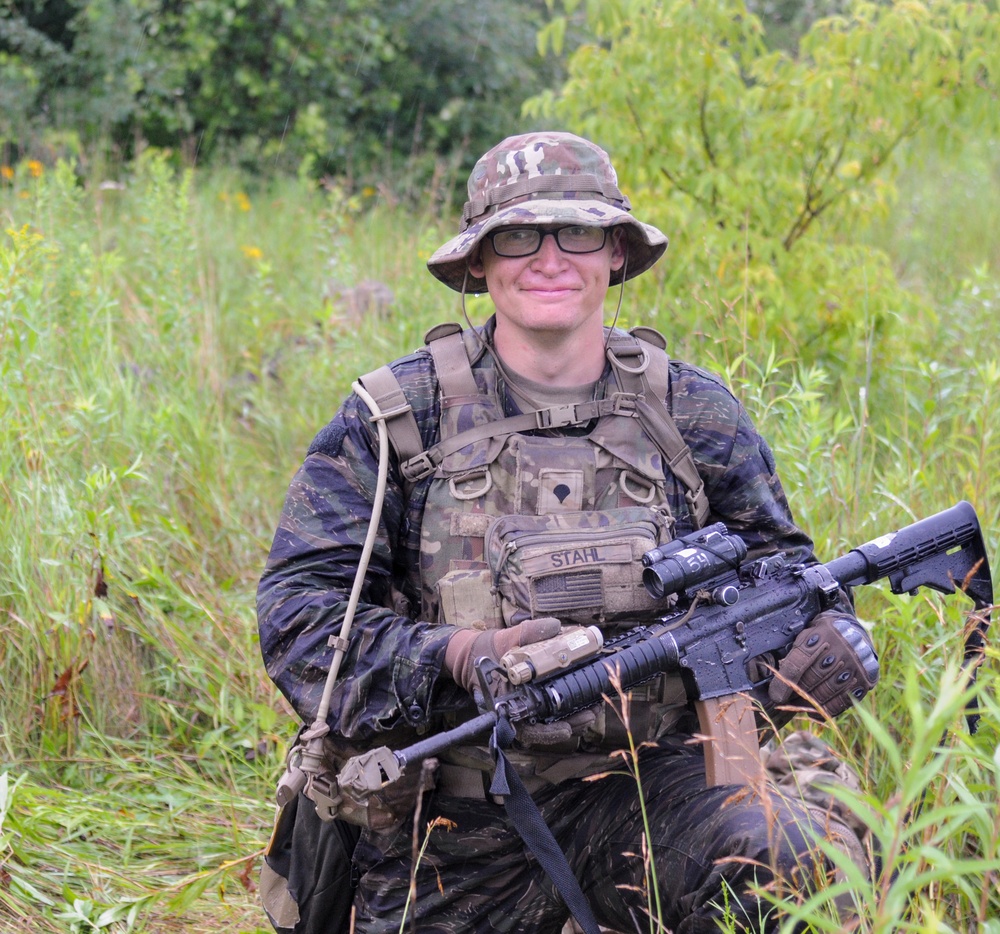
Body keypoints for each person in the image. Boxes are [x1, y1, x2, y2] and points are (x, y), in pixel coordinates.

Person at [256, 131, 879, 934]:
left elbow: (783, 574)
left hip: (659, 787)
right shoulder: (397, 419)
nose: (549, 258)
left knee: (795, 869)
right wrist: (459, 656)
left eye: (576, 232)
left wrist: (820, 645)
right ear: (479, 262)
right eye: (518, 236)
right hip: (455, 820)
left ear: (615, 253)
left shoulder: (689, 412)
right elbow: (300, 618)